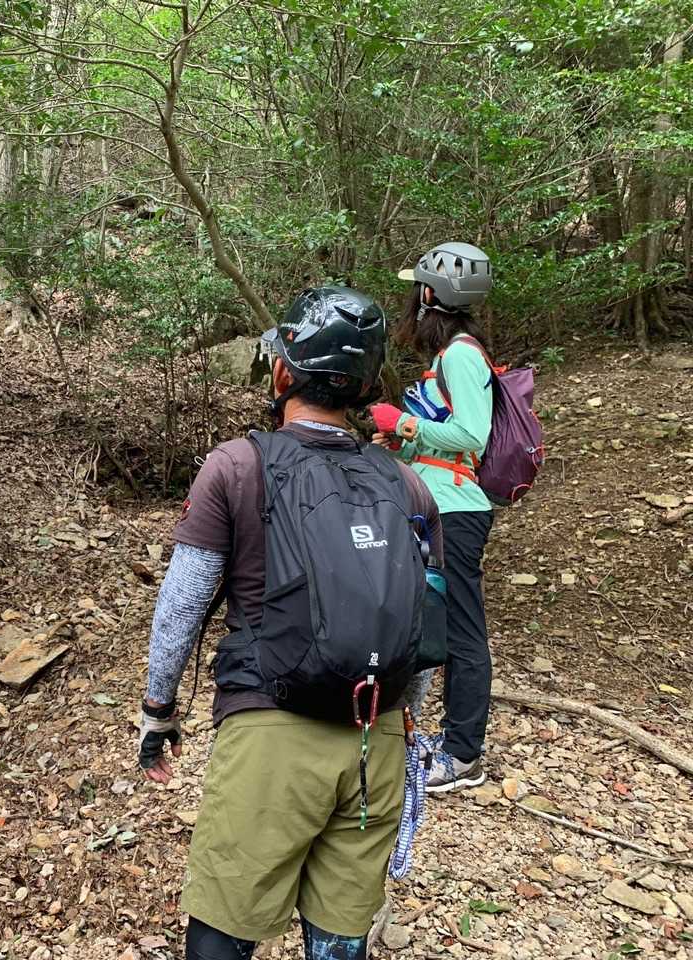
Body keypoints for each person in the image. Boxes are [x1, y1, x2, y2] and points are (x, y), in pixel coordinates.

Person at [138, 287, 443, 960]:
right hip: (375, 741)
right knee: (338, 937)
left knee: (226, 926)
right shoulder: (409, 485)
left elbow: (182, 605)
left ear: (282, 372)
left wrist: (159, 711)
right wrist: (402, 724)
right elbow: (423, 632)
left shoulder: (237, 466)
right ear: (366, 386)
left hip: (270, 731)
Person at [369, 241, 494, 793]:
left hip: (458, 510)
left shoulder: (462, 355)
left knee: (462, 630)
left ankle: (464, 755)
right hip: (435, 503)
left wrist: (404, 424)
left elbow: (472, 436)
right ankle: (411, 730)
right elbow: (445, 440)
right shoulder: (447, 357)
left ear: (429, 294)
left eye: (416, 288)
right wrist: (401, 442)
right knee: (423, 620)